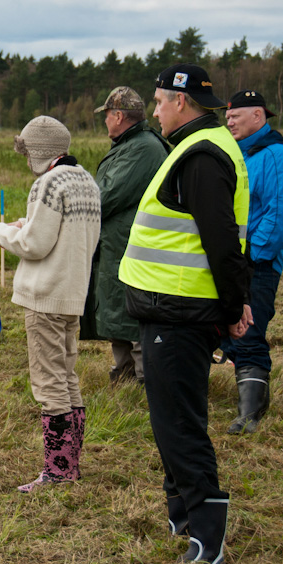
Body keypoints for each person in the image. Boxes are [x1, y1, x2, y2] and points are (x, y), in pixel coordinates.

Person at [118, 63, 252, 564]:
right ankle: (183, 516)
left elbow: (222, 241)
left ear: (181, 103)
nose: (154, 111)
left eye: (158, 102)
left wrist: (235, 305)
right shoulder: (199, 149)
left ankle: (207, 536)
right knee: (168, 420)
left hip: (179, 311)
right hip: (169, 308)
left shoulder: (201, 157)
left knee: (180, 424)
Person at [0, 116, 101, 492]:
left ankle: (58, 471)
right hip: (73, 293)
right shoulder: (86, 181)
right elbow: (57, 233)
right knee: (67, 377)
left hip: (45, 295)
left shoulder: (46, 183)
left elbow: (34, 245)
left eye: (27, 150)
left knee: (48, 382)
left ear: (38, 151)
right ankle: (70, 465)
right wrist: (22, 226)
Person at [220, 90, 283, 434]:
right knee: (225, 329)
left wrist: (253, 256)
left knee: (249, 331)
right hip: (230, 261)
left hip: (257, 264)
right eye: (227, 117)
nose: (229, 121)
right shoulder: (235, 154)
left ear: (258, 115)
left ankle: (250, 415)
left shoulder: (276, 156)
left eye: (236, 115)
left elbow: (280, 212)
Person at [91, 86, 169, 385]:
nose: (106, 122)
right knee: (116, 309)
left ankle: (144, 380)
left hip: (132, 247)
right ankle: (123, 374)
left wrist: (81, 202)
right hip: (119, 246)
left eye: (107, 115)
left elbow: (105, 196)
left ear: (119, 115)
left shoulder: (143, 148)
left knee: (133, 314)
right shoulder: (130, 145)